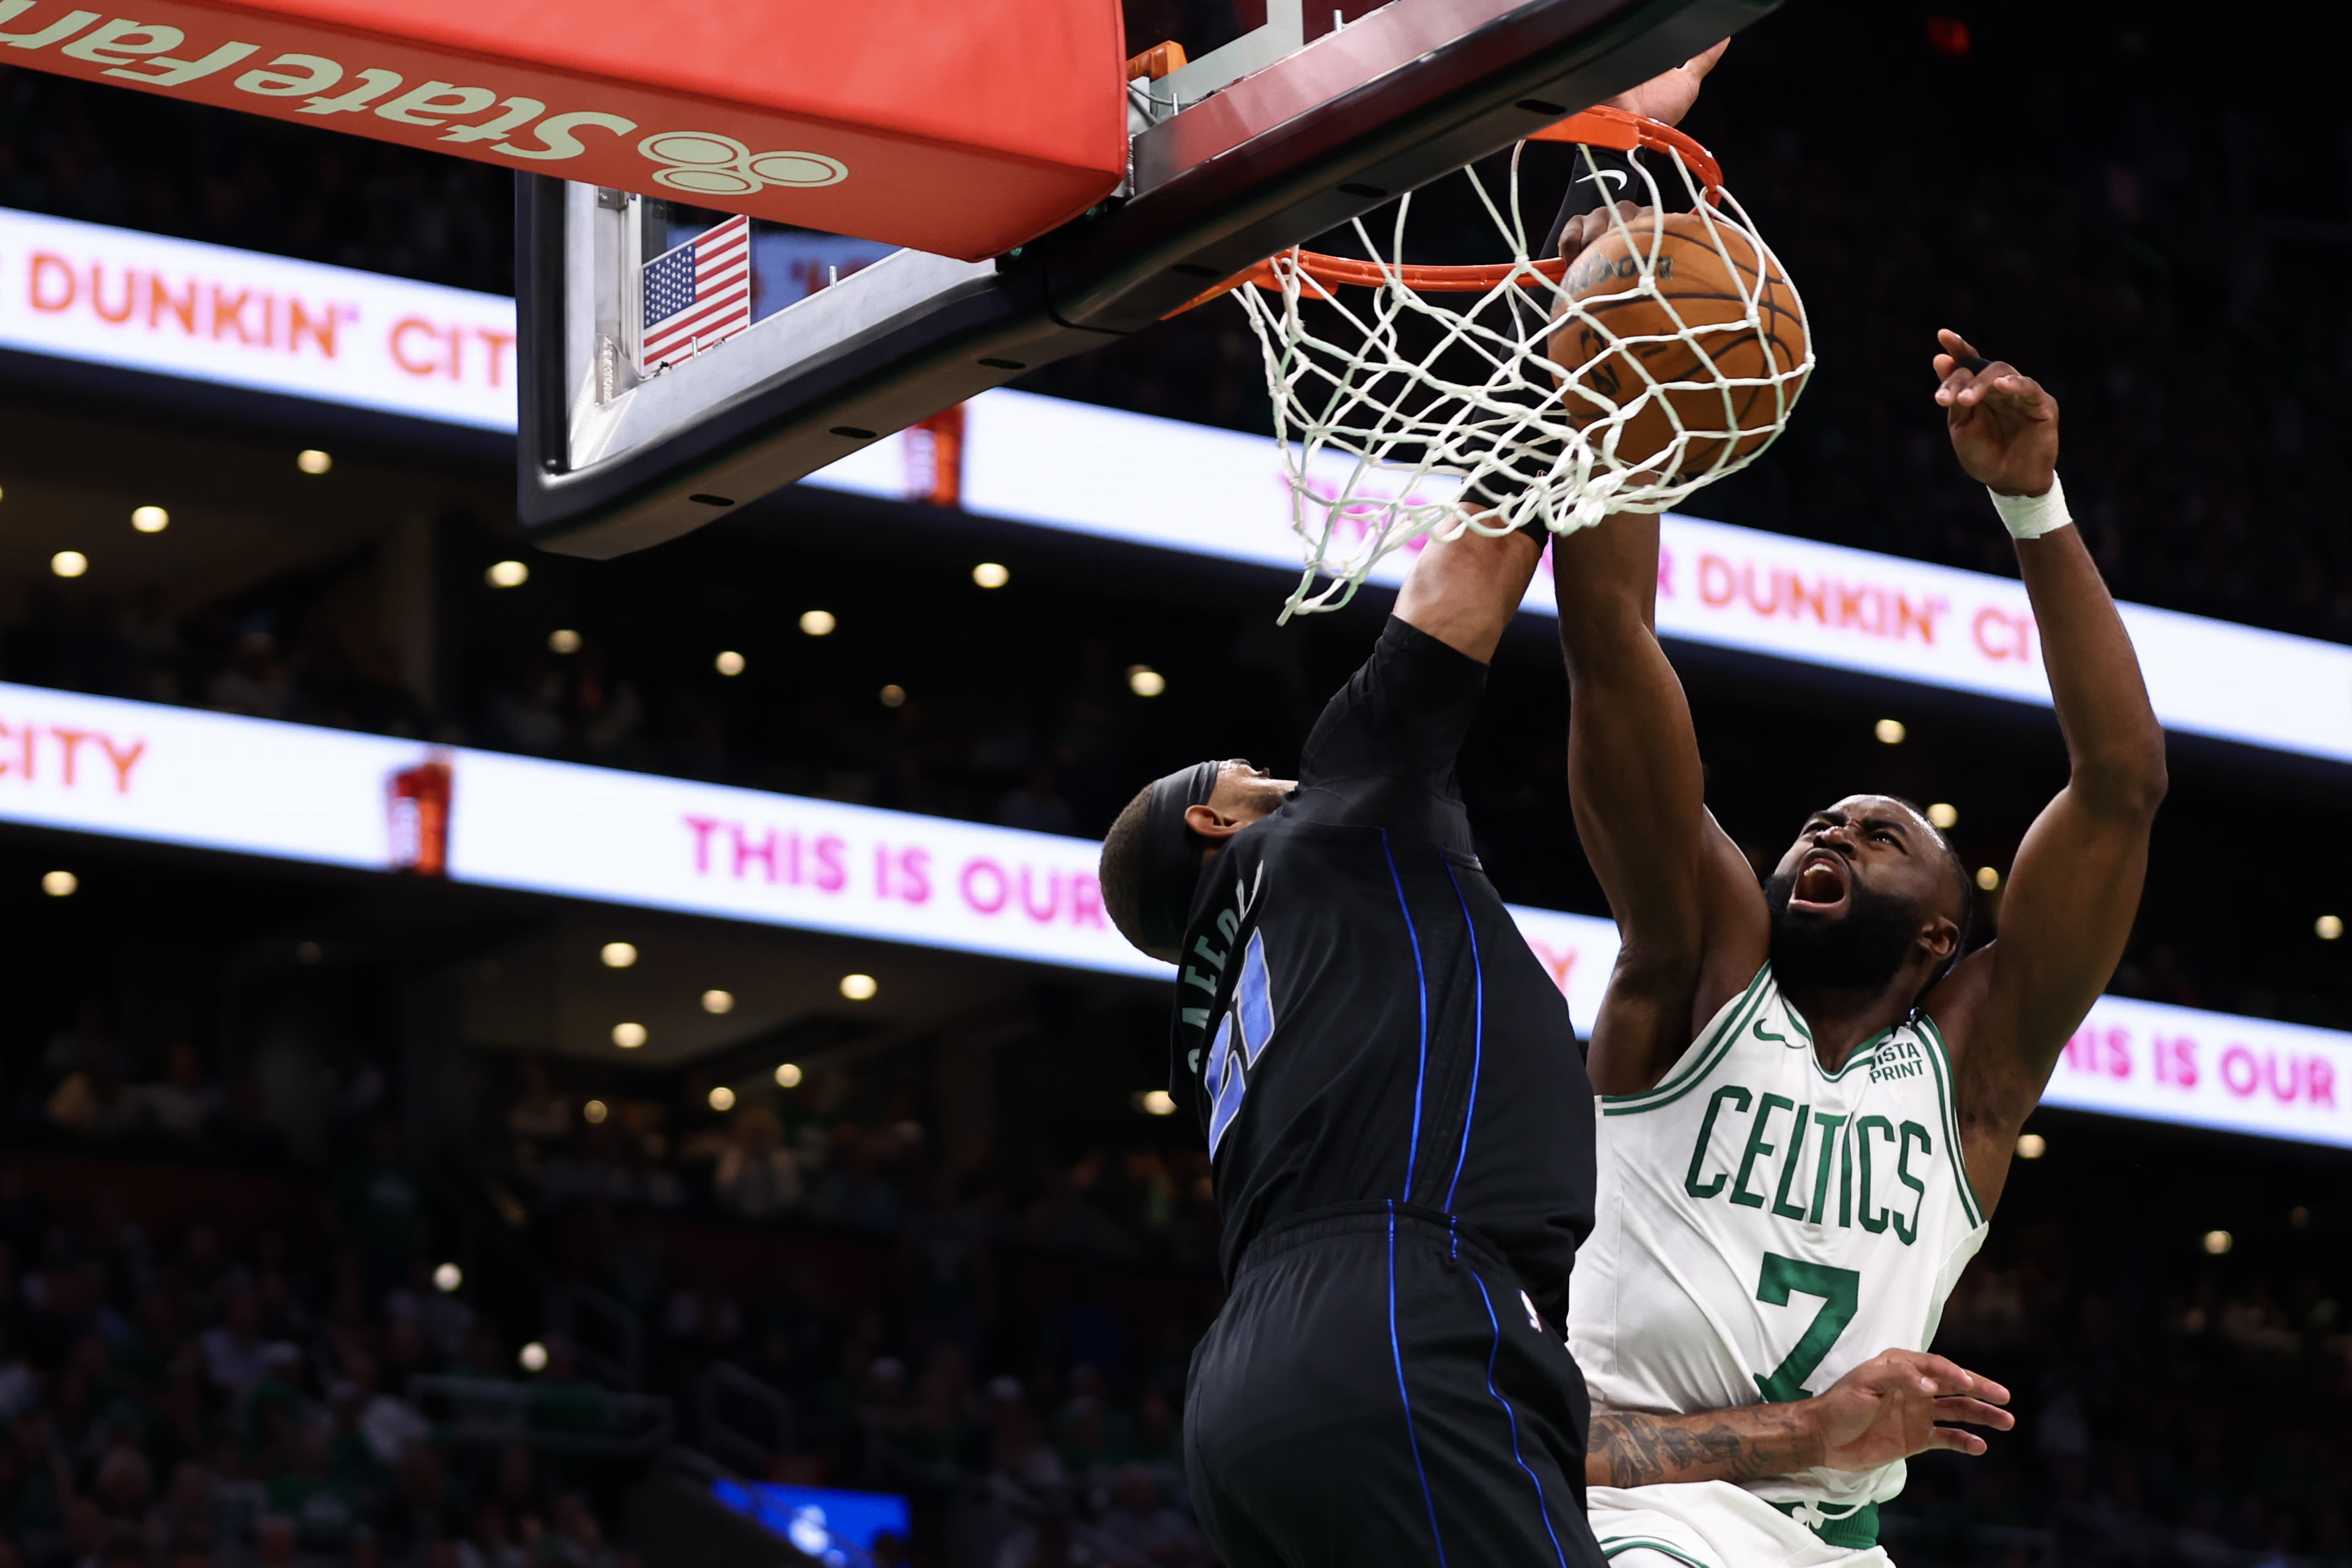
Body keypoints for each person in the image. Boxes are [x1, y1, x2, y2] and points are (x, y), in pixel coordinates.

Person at [1097, 84, 2016, 1547]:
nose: (1262, 764)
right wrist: (1587, 340)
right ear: (1212, 831)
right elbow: (1474, 558)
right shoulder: (1328, 819)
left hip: (1250, 1387)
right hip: (1399, 1309)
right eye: (1230, 773)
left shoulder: (1224, 999)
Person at [1552, 332, 2166, 1566]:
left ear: (1941, 929)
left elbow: (2117, 785)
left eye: (1880, 832)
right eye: (1815, 825)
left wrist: (2029, 503)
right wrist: (1619, 387)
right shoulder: (1696, 973)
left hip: (1834, 1542)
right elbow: (1612, 641)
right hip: (1629, 1503)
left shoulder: (1971, 1071)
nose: (1832, 824)